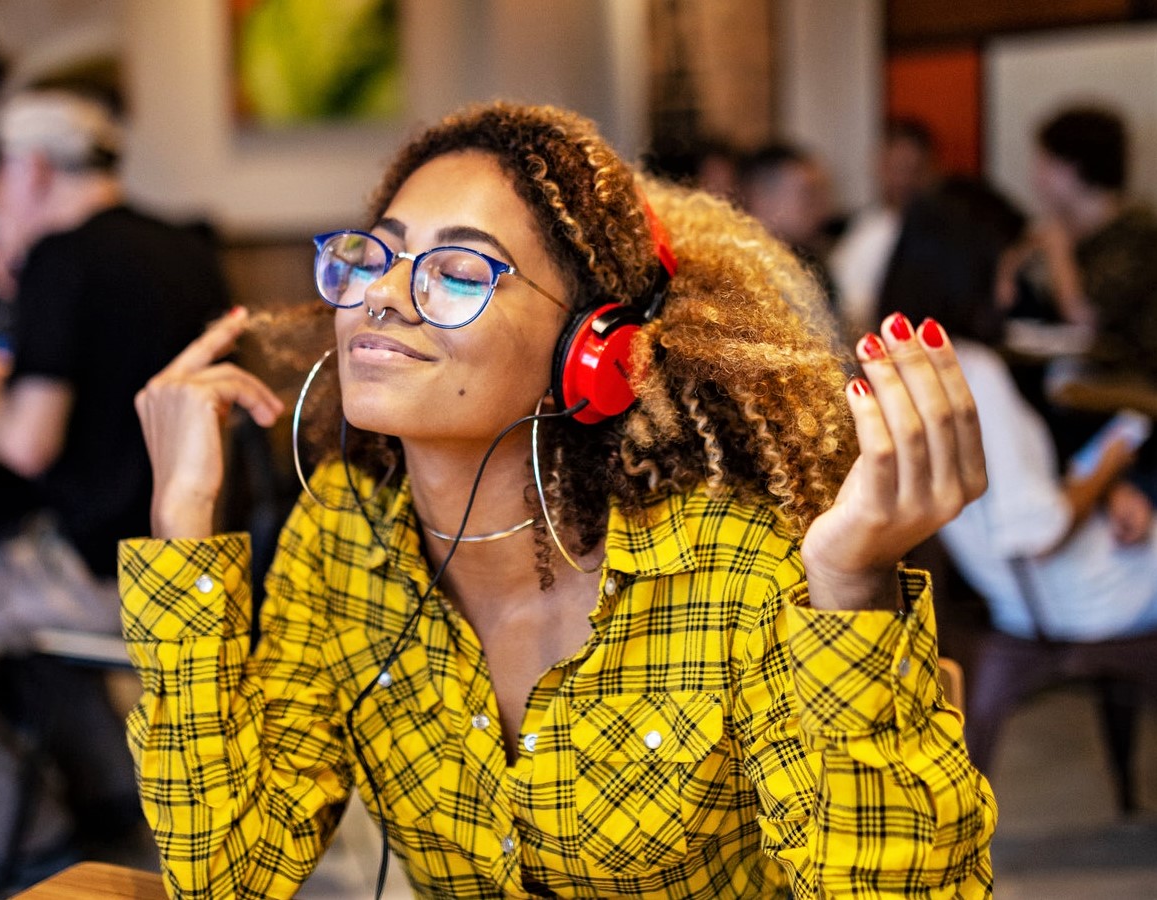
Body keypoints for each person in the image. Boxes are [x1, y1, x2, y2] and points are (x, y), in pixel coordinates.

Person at [122, 102, 994, 898]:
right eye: (373, 255)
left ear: (593, 352)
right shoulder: (342, 532)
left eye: (459, 271)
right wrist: (181, 525)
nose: (381, 296)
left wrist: (849, 587)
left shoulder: (728, 562)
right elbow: (228, 876)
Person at [0, 87, 229, 887]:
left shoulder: (63, 258)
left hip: (98, 569)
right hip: (185, 556)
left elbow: (27, 444)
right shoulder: (182, 245)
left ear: (29, 168)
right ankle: (105, 794)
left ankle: (25, 831)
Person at [880, 178, 1157, 645]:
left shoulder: (907, 365)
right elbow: (1038, 532)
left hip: (1023, 593)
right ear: (966, 273)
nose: (1009, 296)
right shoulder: (974, 372)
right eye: (1005, 274)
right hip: (1079, 592)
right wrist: (1110, 466)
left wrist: (1107, 491)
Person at [1020, 105, 1157, 381]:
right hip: (1079, 379)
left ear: (1075, 167)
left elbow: (1084, 316)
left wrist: (1058, 250)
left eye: (1046, 162)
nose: (1037, 177)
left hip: (1129, 387)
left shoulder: (1136, 232)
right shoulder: (1072, 230)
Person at [830, 118, 938, 342]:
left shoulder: (934, 234)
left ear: (930, 170)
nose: (903, 179)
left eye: (912, 169)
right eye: (895, 168)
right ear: (878, 165)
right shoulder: (863, 224)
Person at [737, 142, 839, 308]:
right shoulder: (739, 273)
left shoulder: (813, 261)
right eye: (808, 194)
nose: (823, 208)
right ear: (762, 198)